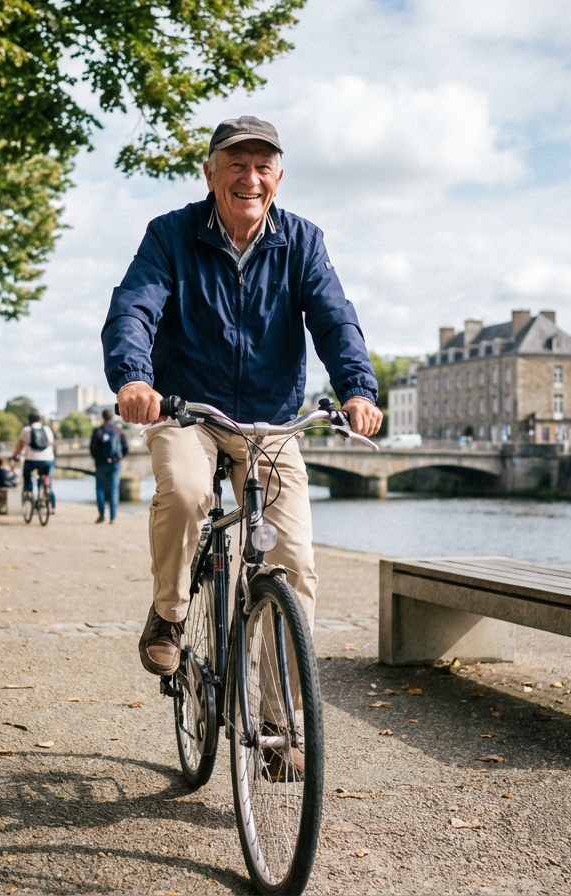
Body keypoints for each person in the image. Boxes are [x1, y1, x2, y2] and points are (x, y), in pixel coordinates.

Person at [102, 115, 381, 685]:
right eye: (235, 165)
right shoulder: (170, 235)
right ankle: (169, 615)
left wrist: (356, 388)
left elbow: (334, 320)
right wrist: (134, 378)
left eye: (262, 166)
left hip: (271, 421)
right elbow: (134, 307)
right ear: (209, 174)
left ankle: (282, 729)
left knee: (294, 565)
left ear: (278, 177)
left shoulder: (301, 241)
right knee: (183, 492)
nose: (249, 178)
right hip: (188, 411)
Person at [89, 409, 128, 523]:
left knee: (100, 488)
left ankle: (101, 514)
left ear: (103, 417)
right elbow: (126, 447)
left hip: (101, 464)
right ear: (112, 418)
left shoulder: (98, 431)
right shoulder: (118, 430)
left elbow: (92, 448)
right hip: (115, 463)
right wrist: (120, 457)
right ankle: (113, 517)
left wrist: (98, 459)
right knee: (114, 489)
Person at [12, 412, 56, 512]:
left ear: (29, 420)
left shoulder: (26, 430)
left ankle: (29, 491)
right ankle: (47, 498)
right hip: (47, 459)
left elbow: (20, 445)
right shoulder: (47, 429)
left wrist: (15, 455)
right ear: (39, 420)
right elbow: (51, 443)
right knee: (46, 478)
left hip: (31, 459)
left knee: (27, 475)